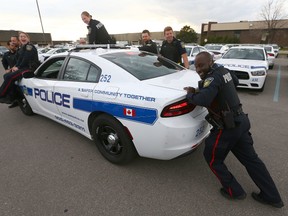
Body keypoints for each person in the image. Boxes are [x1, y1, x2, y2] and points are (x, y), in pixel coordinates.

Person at [184, 51, 284, 208]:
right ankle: (272, 197)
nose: (198, 69)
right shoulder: (223, 70)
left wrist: (190, 94)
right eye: (196, 66)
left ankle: (234, 191)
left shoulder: (212, 78)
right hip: (241, 122)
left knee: (211, 157)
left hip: (227, 128)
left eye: (201, 65)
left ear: (210, 62)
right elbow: (235, 81)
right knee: (252, 160)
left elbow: (202, 99)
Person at [0, 31, 40, 105]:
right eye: (21, 37)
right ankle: (10, 97)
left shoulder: (29, 46)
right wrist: (15, 66)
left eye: (24, 36)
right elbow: (19, 60)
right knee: (6, 75)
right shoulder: (22, 48)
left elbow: (26, 59)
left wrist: (18, 67)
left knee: (9, 77)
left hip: (30, 68)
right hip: (23, 68)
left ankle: (2, 95)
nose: (22, 38)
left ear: (28, 38)